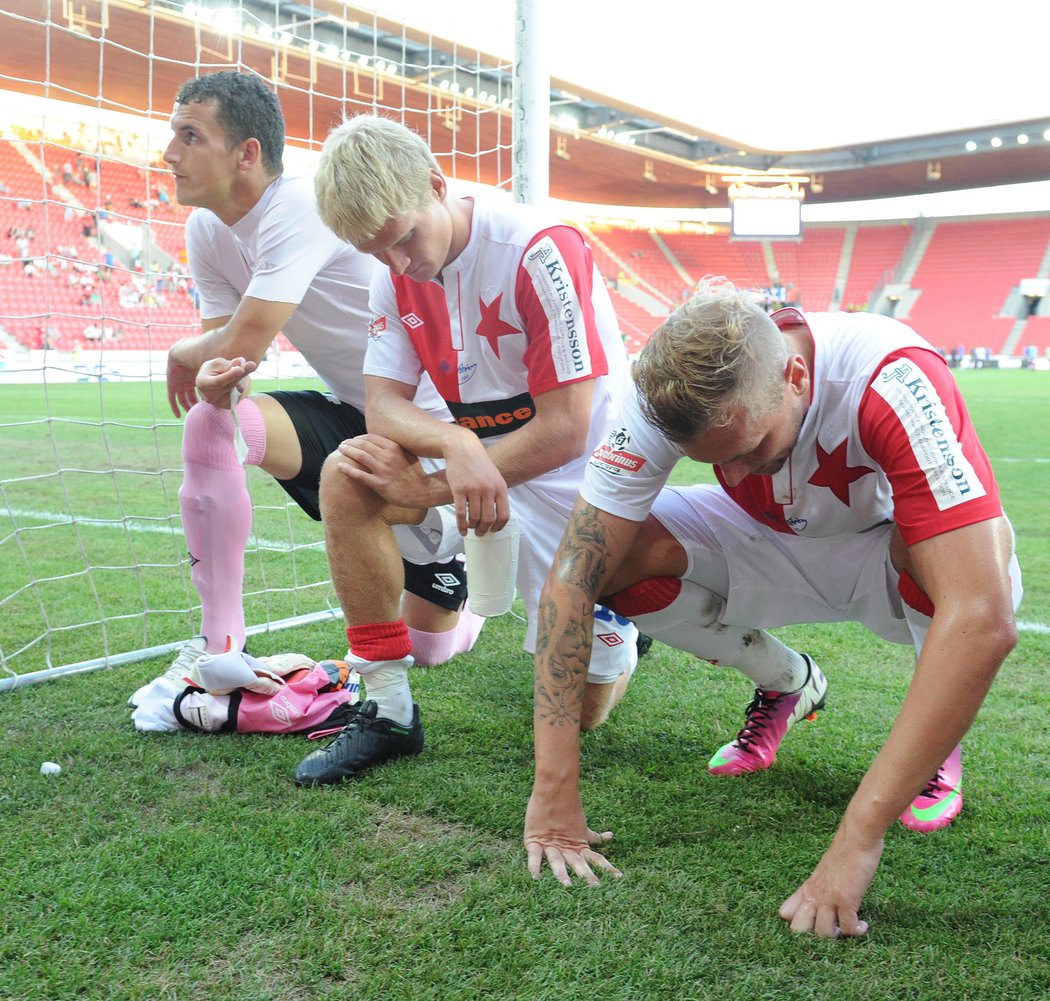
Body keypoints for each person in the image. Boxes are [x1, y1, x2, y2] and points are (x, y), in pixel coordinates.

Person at [524, 277, 1021, 938]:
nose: (736, 472)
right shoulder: (666, 397)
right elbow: (570, 579)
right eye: (715, 463)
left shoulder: (891, 377)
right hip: (772, 541)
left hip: (888, 554)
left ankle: (936, 750)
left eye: (753, 449)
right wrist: (554, 787)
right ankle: (787, 680)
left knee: (956, 572)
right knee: (612, 555)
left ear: (796, 374)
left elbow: (983, 615)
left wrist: (858, 835)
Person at [291, 113, 642, 786]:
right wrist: (455, 443)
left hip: (581, 482)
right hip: (478, 462)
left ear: (434, 183)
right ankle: (389, 711)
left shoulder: (540, 249)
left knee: (585, 709)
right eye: (373, 252)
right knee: (349, 474)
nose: (397, 263)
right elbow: (384, 402)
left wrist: (431, 486)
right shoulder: (392, 273)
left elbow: (568, 428)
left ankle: (620, 632)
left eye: (401, 238)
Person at [133, 71, 483, 704]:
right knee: (214, 420)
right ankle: (219, 649)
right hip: (359, 416)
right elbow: (232, 362)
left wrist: (189, 353)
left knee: (429, 646)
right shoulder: (206, 230)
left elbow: (241, 340)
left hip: (432, 431)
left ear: (246, 153)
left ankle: (480, 593)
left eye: (190, 136)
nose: (169, 154)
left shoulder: (300, 203)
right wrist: (213, 373)